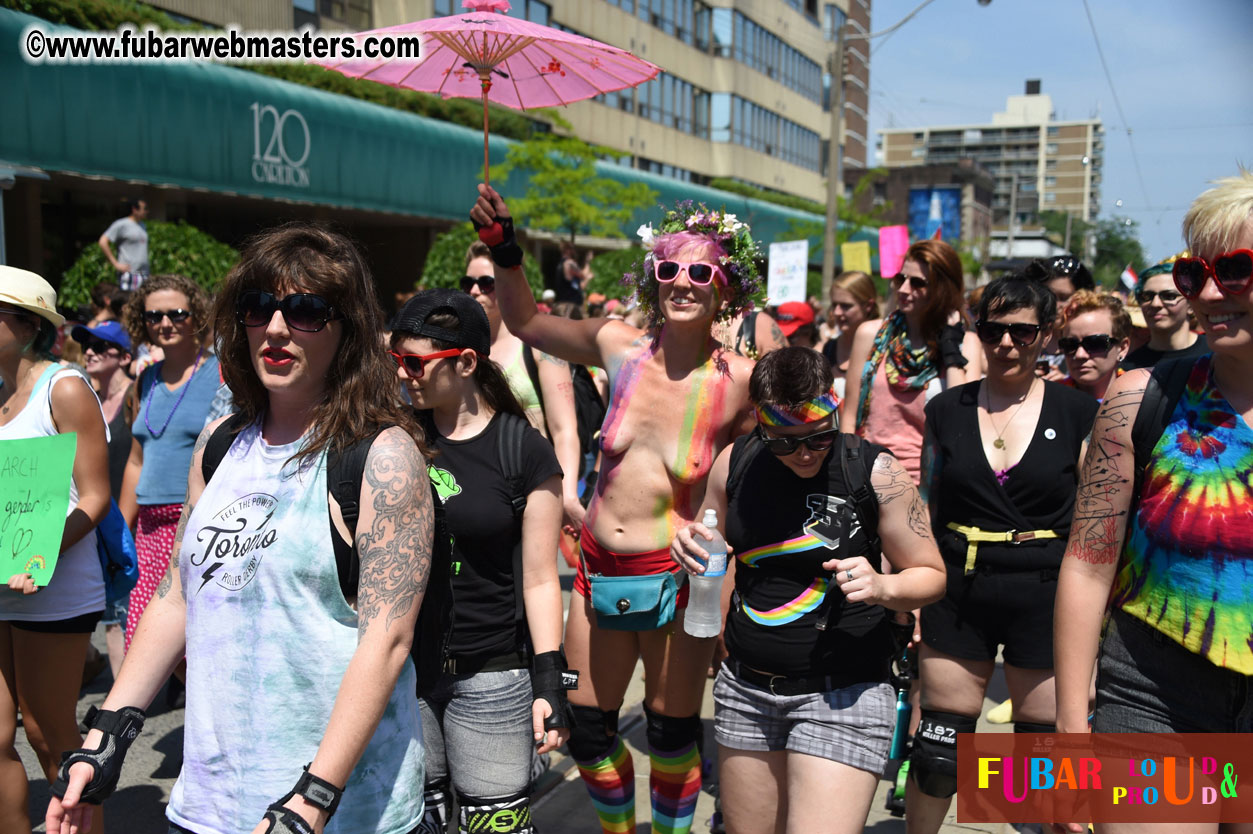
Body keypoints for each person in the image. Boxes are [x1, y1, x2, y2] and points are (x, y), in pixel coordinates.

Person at [47, 223, 431, 834]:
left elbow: (387, 642)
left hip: (342, 809)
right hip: (211, 800)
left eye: (306, 311)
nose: (276, 328)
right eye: (260, 307)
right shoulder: (221, 443)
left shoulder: (381, 456)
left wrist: (310, 801)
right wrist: (106, 738)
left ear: (348, 328)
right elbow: (178, 597)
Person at [471, 186, 758, 834]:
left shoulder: (737, 380)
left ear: (725, 289)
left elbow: (772, 470)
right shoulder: (617, 346)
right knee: (589, 732)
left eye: (698, 271)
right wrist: (504, 248)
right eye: (667, 269)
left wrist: (730, 568)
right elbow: (526, 323)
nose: (680, 282)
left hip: (676, 582)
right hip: (599, 572)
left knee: (670, 734)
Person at [670, 346, 945, 834]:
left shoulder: (875, 471)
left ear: (834, 411)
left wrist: (883, 585)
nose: (802, 453)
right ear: (761, 425)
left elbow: (931, 574)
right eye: (784, 442)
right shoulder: (736, 463)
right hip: (747, 691)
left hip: (845, 693)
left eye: (818, 439)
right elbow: (711, 540)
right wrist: (689, 546)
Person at [1053, 171, 1253, 834]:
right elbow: (1087, 561)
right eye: (1197, 275)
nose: (1213, 293)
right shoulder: (1137, 399)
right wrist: (1069, 729)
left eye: (1236, 268)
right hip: (1153, 695)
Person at [905, 276, 1098, 833]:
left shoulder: (1079, 412)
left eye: (1022, 331)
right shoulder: (945, 409)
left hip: (1046, 592)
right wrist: (913, 591)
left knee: (1043, 762)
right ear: (977, 332)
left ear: (1046, 335)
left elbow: (1094, 522)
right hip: (959, 589)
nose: (1007, 343)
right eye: (993, 331)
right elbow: (926, 504)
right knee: (939, 756)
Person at [391, 289, 571, 834]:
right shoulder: (394, 437)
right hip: (404, 673)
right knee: (415, 823)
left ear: (467, 362)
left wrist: (550, 680)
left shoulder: (524, 451)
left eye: (416, 363)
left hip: (492, 676)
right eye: (396, 362)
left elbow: (540, 578)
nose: (404, 376)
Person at [0, 267, 111, 834]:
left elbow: (95, 496)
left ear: (25, 325)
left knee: (48, 733)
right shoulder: (0, 395)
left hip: (54, 589)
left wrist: (38, 555)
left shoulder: (62, 386)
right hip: (2, 582)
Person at [118, 275, 221, 650]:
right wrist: (121, 529)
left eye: (177, 313)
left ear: (197, 316)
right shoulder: (145, 380)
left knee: (192, 643)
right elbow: (135, 460)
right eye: (153, 316)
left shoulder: (223, 373)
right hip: (148, 527)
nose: (165, 324)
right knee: (143, 640)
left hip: (198, 522)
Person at [464, 242, 585, 539]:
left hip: (530, 494)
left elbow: (564, 428)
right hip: (474, 496)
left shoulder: (538, 345)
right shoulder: (461, 347)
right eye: (468, 283)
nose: (475, 291)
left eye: (486, 283)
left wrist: (567, 494)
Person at [841, 239, 981, 485]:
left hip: (934, 485)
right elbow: (850, 416)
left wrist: (949, 347)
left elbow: (963, 415)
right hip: (870, 478)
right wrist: (847, 476)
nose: (904, 289)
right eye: (900, 279)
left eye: (917, 283)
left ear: (943, 288)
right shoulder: (870, 335)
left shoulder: (965, 344)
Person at [71, 319, 134, 680]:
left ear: (124, 356)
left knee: (119, 614)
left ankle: (119, 704)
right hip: (91, 517)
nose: (90, 352)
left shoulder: (136, 397)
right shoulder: (84, 397)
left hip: (130, 516)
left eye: (101, 346)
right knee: (106, 612)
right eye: (86, 345)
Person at [1122, 258, 1209, 370]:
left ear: (1191, 305)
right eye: (1147, 297)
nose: (1155, 304)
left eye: (1169, 296)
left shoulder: (1217, 355)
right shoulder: (1127, 368)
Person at [1057, 290, 1131, 401]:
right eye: (1070, 345)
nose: (1079, 354)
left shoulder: (1143, 399)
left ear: (1122, 348)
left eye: (1094, 343)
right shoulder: (1047, 399)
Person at [821, 270, 881, 399]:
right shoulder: (829, 348)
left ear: (868, 305)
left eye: (845, 306)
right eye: (834, 304)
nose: (836, 312)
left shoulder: (882, 347)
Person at [98, 198, 150, 292]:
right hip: (129, 274)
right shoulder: (121, 224)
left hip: (144, 274)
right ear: (134, 209)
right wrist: (116, 264)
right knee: (128, 303)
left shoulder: (142, 225)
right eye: (144, 208)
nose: (147, 211)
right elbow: (103, 241)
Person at [551, 241, 590, 306]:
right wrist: (587, 261)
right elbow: (583, 275)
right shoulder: (569, 263)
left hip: (563, 301)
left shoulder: (560, 264)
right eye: (573, 249)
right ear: (568, 250)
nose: (574, 251)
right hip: (571, 303)